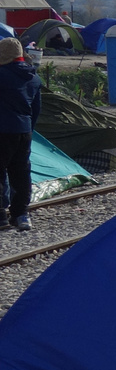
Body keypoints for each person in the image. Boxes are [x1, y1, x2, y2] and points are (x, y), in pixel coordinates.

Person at [0, 37, 42, 231]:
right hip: (24, 131)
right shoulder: (34, 78)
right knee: (21, 172)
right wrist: (28, 128)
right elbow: (36, 109)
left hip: (2, 130)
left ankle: (1, 215)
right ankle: (21, 215)